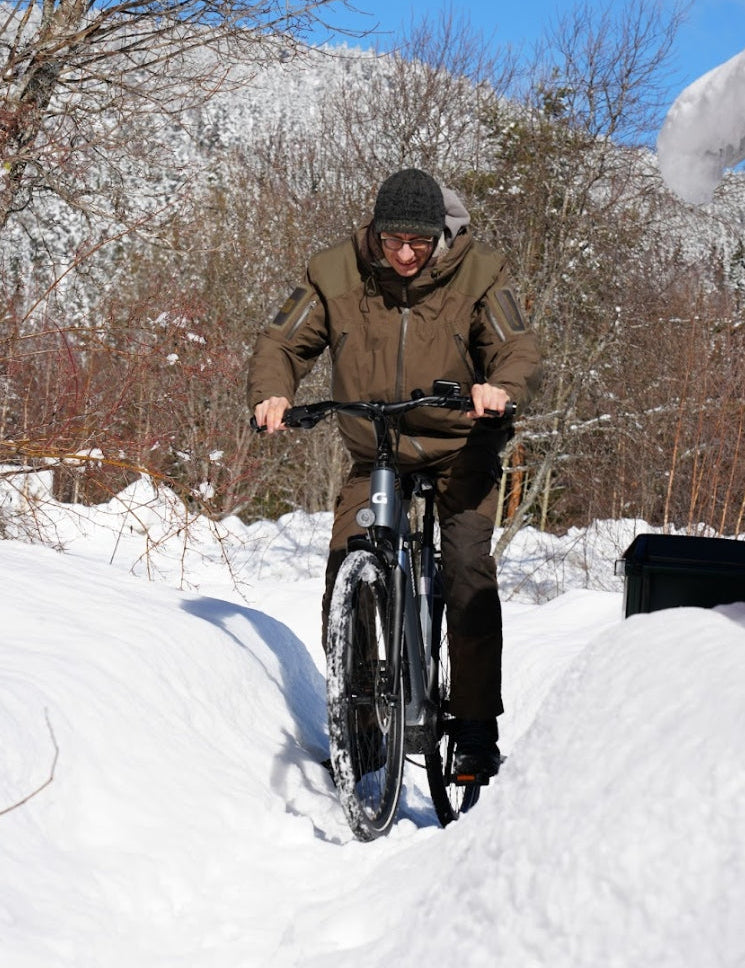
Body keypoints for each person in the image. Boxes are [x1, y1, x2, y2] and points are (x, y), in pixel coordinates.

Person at [248, 168, 541, 779]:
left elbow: (518, 348)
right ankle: (359, 733)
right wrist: (273, 394)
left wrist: (501, 388)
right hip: (376, 444)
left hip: (462, 443)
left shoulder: (481, 273)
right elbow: (282, 342)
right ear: (375, 232)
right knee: (345, 568)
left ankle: (474, 729)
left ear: (440, 235)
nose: (404, 255)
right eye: (391, 242)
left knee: (465, 570)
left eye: (418, 242)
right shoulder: (334, 273)